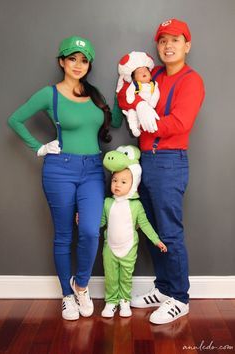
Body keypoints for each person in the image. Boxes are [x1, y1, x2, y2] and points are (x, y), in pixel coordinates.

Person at [8, 35, 112, 320]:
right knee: (64, 235)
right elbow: (14, 120)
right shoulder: (49, 94)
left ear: (89, 64)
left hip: (92, 169)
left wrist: (131, 92)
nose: (78, 65)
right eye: (72, 59)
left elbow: (113, 120)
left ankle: (80, 285)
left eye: (84, 60)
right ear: (61, 62)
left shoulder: (95, 95)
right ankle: (67, 296)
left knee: (91, 231)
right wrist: (39, 147)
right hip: (59, 170)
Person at [117, 19, 205, 324]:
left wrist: (145, 119)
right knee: (151, 229)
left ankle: (180, 297)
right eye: (163, 41)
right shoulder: (151, 74)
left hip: (170, 161)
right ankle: (164, 288)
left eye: (175, 40)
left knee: (170, 231)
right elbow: (126, 95)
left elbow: (181, 123)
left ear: (186, 46)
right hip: (147, 160)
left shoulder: (191, 80)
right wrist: (132, 102)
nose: (168, 46)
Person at [100, 145, 167, 318]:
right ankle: (111, 301)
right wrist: (83, 220)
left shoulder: (136, 205)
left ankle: (124, 300)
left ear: (133, 184)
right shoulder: (107, 202)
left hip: (129, 248)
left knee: (126, 277)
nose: (117, 185)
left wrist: (156, 240)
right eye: (115, 180)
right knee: (111, 276)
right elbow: (99, 222)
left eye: (123, 182)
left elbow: (145, 225)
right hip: (110, 248)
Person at [116, 51, 160, 137]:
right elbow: (129, 92)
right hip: (135, 107)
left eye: (146, 71)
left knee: (148, 117)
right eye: (139, 72)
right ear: (134, 78)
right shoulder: (135, 84)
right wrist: (133, 100)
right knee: (132, 114)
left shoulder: (154, 84)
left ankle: (140, 127)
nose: (143, 73)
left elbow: (156, 94)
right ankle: (134, 128)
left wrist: (151, 104)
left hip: (150, 105)